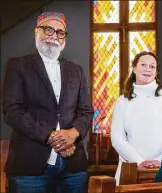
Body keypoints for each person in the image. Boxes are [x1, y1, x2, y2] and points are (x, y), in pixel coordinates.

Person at [2, 12, 93, 193]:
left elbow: (86, 111)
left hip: (73, 165)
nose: (54, 36)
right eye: (48, 29)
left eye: (60, 32)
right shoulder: (18, 65)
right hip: (29, 166)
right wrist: (53, 137)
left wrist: (73, 134)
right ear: (37, 32)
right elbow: (12, 111)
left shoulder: (76, 70)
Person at [111, 51, 162, 185]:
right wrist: (139, 161)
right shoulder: (123, 101)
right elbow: (117, 138)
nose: (148, 69)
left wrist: (161, 160)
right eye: (143, 65)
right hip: (131, 167)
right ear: (134, 68)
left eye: (152, 66)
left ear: (156, 71)